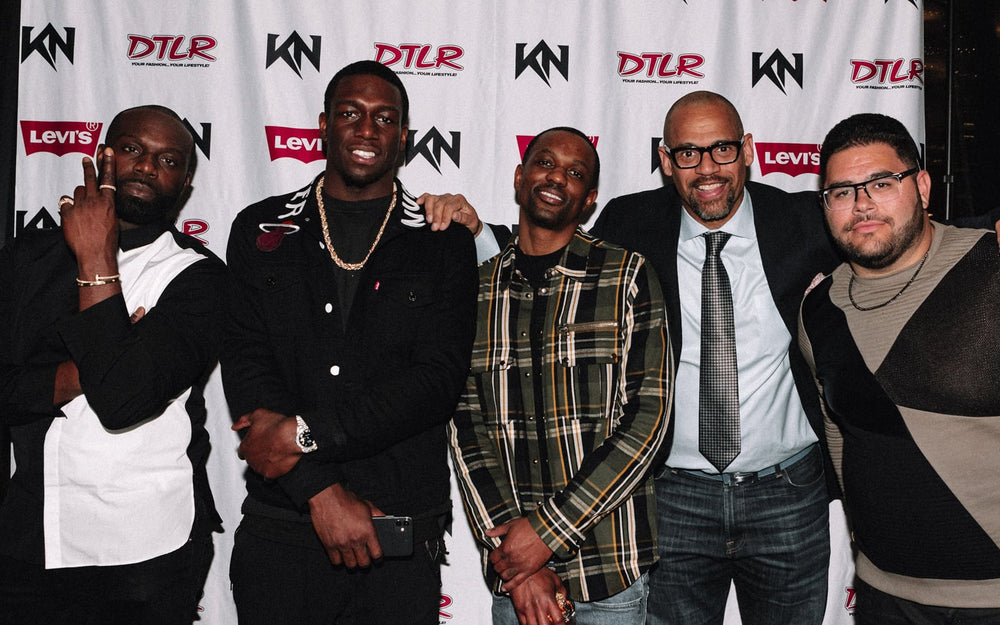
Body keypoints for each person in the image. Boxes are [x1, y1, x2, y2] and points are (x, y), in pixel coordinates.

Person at [222, 60, 478, 625]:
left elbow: (436, 381)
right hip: (284, 526)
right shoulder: (260, 229)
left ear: (404, 137)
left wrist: (305, 434)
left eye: (384, 118)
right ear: (323, 125)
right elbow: (247, 370)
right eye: (350, 113)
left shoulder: (443, 241)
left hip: (397, 531)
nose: (367, 129)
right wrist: (321, 492)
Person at [590, 91, 839, 625]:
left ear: (747, 149)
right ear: (666, 160)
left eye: (722, 149)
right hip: (672, 496)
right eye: (688, 153)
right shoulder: (630, 223)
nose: (707, 169)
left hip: (788, 493)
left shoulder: (802, 220)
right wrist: (476, 234)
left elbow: (892, 236)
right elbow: (557, 257)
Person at [0, 104, 225, 624]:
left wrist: (96, 260)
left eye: (168, 160)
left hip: (146, 548)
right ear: (104, 156)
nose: (147, 166)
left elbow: (122, 400)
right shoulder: (28, 258)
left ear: (184, 184)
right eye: (132, 149)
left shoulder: (200, 278)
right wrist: (103, 357)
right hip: (30, 537)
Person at [450, 127, 672, 625]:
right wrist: (519, 560)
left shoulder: (626, 275)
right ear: (520, 176)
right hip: (516, 579)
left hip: (609, 570)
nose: (557, 177)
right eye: (545, 163)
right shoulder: (474, 289)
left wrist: (546, 534)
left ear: (590, 198)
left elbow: (648, 420)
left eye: (575, 173)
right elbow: (466, 428)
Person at [800, 113, 1000, 624]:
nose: (862, 204)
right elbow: (841, 434)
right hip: (883, 594)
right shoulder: (818, 308)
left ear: (923, 187)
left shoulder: (991, 266)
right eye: (841, 192)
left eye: (882, 183)